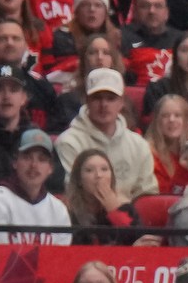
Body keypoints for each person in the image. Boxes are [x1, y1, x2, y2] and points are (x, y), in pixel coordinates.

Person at [58, 69, 158, 200]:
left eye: (111, 98)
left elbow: (147, 194)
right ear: (86, 100)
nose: (104, 105)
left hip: (130, 217)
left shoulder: (139, 145)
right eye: (97, 98)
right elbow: (73, 192)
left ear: (121, 102)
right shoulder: (68, 142)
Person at [0, 129, 70, 245]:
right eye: (27, 157)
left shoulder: (58, 209)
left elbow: (61, 259)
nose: (34, 165)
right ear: (15, 162)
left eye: (42, 159)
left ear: (50, 168)